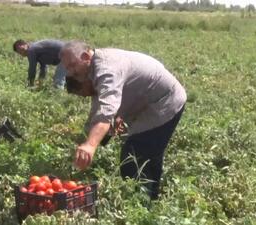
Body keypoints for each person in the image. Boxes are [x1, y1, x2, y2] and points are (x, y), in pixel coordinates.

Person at [60, 41, 187, 200]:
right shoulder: (94, 68)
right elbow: (99, 109)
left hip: (165, 103)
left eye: (72, 66)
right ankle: (151, 200)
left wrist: (91, 145)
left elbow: (106, 110)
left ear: (85, 57)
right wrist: (87, 140)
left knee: (133, 156)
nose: (71, 72)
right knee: (148, 155)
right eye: (67, 68)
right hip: (152, 101)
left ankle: (140, 204)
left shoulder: (107, 69)